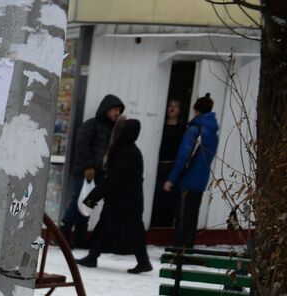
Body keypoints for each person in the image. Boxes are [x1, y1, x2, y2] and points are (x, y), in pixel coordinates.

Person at [77, 116, 152, 273]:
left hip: (126, 201)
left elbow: (113, 179)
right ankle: (93, 256)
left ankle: (143, 261)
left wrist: (93, 197)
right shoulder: (127, 151)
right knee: (106, 225)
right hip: (124, 200)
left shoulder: (128, 153)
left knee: (131, 230)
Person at [61, 93, 125, 248]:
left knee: (88, 204)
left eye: (119, 110)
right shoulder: (92, 125)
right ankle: (63, 234)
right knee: (79, 201)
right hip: (86, 172)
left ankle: (80, 239)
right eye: (114, 109)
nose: (117, 113)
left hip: (101, 174)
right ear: (106, 109)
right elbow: (82, 145)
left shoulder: (115, 129)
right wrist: (88, 167)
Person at [164, 94, 219, 252]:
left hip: (187, 179)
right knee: (192, 215)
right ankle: (188, 247)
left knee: (182, 216)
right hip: (201, 179)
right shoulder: (213, 131)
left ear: (196, 111)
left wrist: (171, 179)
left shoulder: (195, 129)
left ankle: (179, 250)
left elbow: (184, 157)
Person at [150, 98, 187, 229]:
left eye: (176, 106)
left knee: (169, 197)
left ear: (180, 110)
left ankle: (164, 224)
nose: (172, 108)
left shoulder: (183, 129)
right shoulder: (159, 125)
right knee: (155, 196)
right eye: (170, 105)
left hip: (172, 166)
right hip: (158, 165)